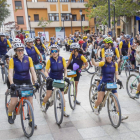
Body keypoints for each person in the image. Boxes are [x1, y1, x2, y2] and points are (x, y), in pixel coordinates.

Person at [91, 49, 128, 120]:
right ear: (105, 56)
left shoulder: (115, 64)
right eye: (107, 55)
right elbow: (95, 64)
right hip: (103, 83)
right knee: (99, 101)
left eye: (110, 55)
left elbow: (116, 74)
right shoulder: (103, 63)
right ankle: (95, 107)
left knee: (116, 99)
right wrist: (92, 57)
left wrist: (118, 80)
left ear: (112, 56)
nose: (108, 57)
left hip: (111, 84)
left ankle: (120, 115)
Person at [8, 43, 39, 126]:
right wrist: (12, 83)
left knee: (30, 101)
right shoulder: (12, 60)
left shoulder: (28, 59)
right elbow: (10, 73)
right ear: (15, 51)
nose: (20, 51)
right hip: (16, 82)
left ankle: (31, 120)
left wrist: (35, 81)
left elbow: (32, 71)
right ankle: (10, 114)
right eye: (18, 50)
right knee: (13, 102)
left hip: (27, 81)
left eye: (21, 49)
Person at [42, 44, 70, 117]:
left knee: (62, 96)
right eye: (52, 51)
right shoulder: (49, 60)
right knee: (48, 95)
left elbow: (65, 69)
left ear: (58, 51)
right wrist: (47, 77)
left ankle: (64, 111)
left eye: (55, 51)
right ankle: (43, 104)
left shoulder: (62, 59)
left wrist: (66, 77)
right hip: (51, 79)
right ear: (51, 52)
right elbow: (46, 71)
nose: (54, 52)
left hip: (60, 79)